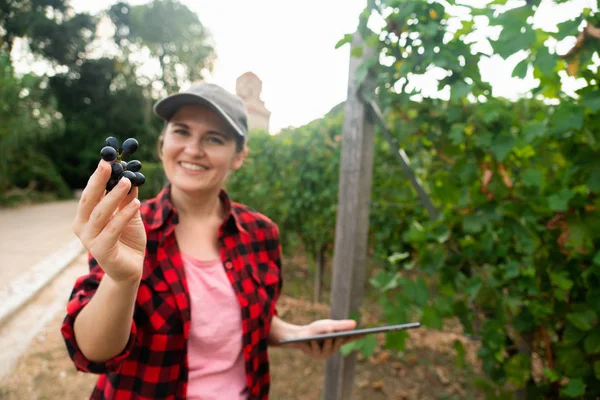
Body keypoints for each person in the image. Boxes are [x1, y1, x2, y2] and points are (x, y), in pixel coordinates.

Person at [61, 82, 359, 400]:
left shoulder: (262, 233)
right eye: (182, 131)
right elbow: (94, 352)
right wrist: (122, 280)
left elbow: (251, 317)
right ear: (163, 144)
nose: (193, 149)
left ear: (239, 156)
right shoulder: (128, 227)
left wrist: (295, 333)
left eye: (214, 138)